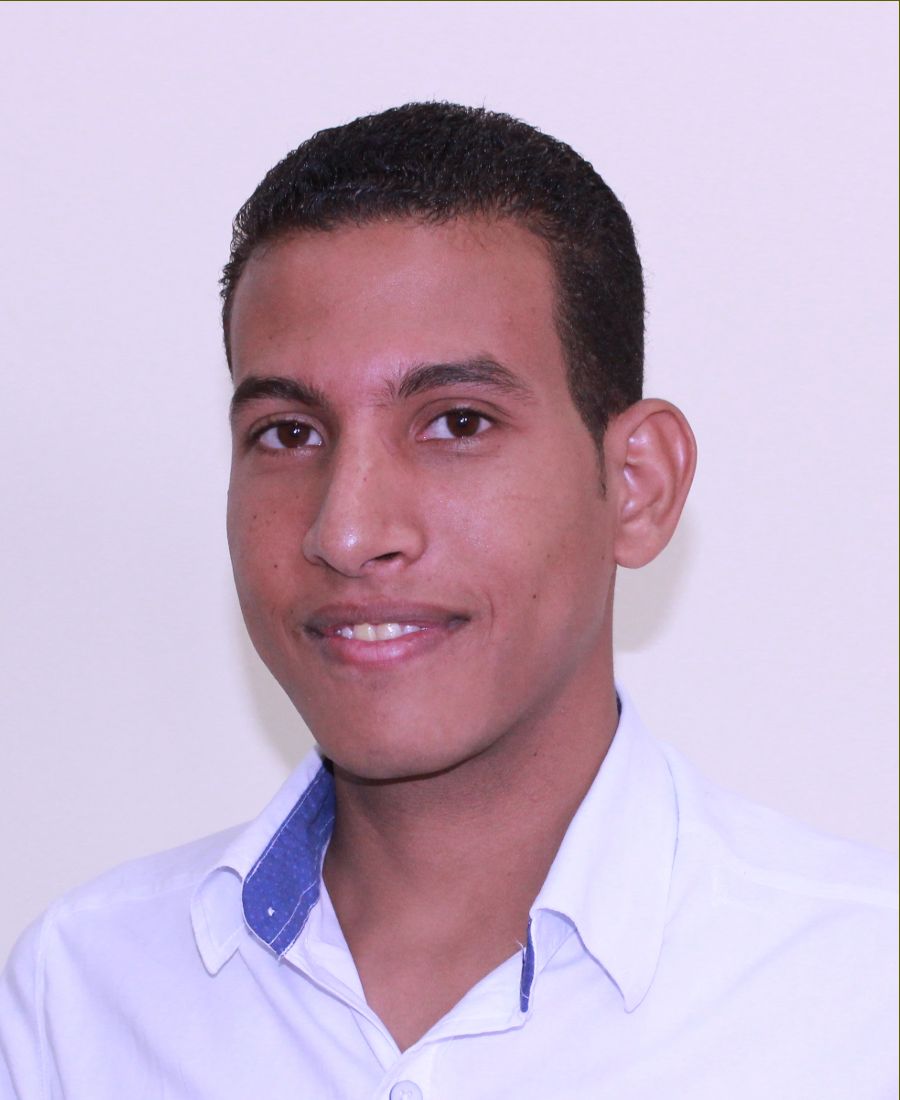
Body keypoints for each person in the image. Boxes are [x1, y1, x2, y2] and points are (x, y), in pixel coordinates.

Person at [1, 102, 896, 1099]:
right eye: (289, 433)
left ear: (637, 484)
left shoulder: (864, 998)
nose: (347, 530)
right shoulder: (82, 1001)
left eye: (457, 422)